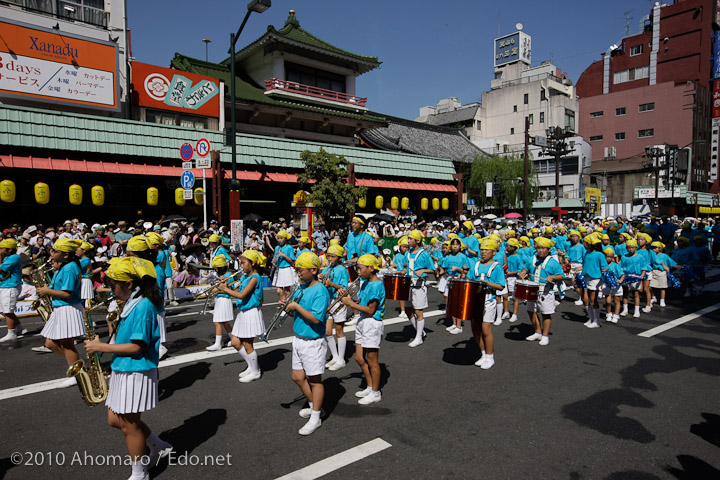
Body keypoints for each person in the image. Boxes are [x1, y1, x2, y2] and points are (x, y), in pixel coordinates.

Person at [85, 257, 173, 480]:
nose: (110, 290)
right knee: (116, 420)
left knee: (129, 424)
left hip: (136, 370)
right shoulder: (134, 302)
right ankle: (157, 445)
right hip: (124, 367)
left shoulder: (142, 305)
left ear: (130, 284)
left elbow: (137, 346)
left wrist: (101, 346)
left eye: (113, 285)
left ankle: (140, 472)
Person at [284, 252, 330, 436]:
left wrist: (296, 307)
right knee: (297, 377)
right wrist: (288, 309)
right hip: (299, 339)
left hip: (313, 341)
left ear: (313, 270)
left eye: (301, 270)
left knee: (315, 380)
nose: (298, 274)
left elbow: (317, 319)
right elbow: (298, 314)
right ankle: (314, 407)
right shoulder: (301, 287)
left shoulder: (320, 290)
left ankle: (316, 417)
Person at [35, 238, 85, 387]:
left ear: (65, 255)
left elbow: (68, 293)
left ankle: (77, 373)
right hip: (60, 308)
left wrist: (47, 290)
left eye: (55, 251)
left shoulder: (70, 267)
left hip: (67, 307)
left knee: (67, 344)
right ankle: (78, 366)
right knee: (50, 343)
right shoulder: (65, 266)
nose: (51, 253)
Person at [340, 254, 385, 403]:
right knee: (359, 357)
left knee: (372, 360)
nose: (358, 272)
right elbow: (360, 301)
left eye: (360, 269)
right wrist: (347, 296)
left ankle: (376, 392)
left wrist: (350, 304)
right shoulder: (365, 283)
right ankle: (370, 386)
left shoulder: (376, 285)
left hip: (372, 322)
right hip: (362, 321)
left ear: (371, 268)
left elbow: (371, 309)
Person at [218, 250, 266, 383]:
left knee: (247, 343)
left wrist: (224, 289)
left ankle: (255, 371)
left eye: (244, 263)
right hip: (243, 312)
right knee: (235, 342)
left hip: (251, 312)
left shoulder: (255, 278)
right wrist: (225, 285)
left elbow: (241, 295)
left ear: (252, 263)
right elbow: (236, 290)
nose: (242, 266)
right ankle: (251, 366)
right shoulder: (245, 276)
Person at [466, 238, 506, 369]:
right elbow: (469, 280)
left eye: (486, 250)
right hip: (476, 299)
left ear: (494, 252)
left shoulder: (497, 267)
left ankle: (490, 356)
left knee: (485, 329)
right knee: (475, 328)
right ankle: (483, 353)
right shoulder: (476, 265)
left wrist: (487, 283)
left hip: (489, 300)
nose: (483, 252)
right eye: (482, 249)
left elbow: (501, 286)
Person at [519, 237, 564, 346]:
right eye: (538, 248)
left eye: (543, 248)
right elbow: (526, 268)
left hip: (545, 291)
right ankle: (538, 331)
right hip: (532, 289)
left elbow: (561, 276)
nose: (540, 250)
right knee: (531, 311)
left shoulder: (553, 262)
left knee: (546, 313)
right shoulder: (532, 259)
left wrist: (553, 277)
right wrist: (523, 272)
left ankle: (545, 335)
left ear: (548, 250)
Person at [321, 244, 350, 371]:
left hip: (338, 301)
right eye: (328, 256)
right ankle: (335, 356)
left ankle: (341, 359)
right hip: (328, 300)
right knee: (327, 332)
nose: (329, 259)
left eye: (332, 256)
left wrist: (331, 283)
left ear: (339, 257)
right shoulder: (327, 269)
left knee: (339, 331)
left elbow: (343, 288)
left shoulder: (342, 270)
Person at [404, 230, 435, 348]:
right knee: (407, 309)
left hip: (419, 286)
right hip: (408, 285)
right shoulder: (407, 253)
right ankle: (419, 330)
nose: (408, 241)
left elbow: (433, 269)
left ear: (417, 241)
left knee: (418, 311)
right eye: (408, 238)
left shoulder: (424, 254)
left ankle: (419, 338)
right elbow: (405, 268)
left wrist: (423, 270)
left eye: (410, 239)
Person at [205, 256, 236, 351]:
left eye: (216, 268)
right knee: (224, 322)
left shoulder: (228, 276)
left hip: (223, 300)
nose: (215, 270)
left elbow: (230, 289)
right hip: (220, 300)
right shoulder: (226, 275)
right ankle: (233, 339)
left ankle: (218, 344)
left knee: (217, 322)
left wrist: (217, 290)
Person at [442, 238, 470, 334]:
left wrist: (458, 269)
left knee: (458, 303)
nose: (455, 246)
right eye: (453, 244)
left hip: (459, 280)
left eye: (457, 244)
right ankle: (453, 324)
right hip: (450, 280)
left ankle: (459, 325)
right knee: (451, 302)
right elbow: (444, 269)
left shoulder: (463, 257)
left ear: (460, 246)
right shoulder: (448, 257)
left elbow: (466, 271)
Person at [0, 238, 25, 342]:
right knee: (3, 310)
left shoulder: (14, 257)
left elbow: (1, 268)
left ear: (9, 249)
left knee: (8, 311)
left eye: (2, 248)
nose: (0, 250)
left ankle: (12, 333)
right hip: (4, 285)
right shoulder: (7, 257)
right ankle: (19, 327)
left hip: (11, 286)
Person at [581, 235, 606, 329]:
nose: (584, 244)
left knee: (593, 299)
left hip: (595, 279)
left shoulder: (599, 254)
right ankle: (591, 318)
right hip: (586, 277)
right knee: (585, 299)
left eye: (585, 243)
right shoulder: (587, 252)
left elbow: (604, 266)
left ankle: (596, 321)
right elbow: (585, 264)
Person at [620, 239, 648, 318]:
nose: (630, 249)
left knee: (635, 293)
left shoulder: (640, 257)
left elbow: (644, 267)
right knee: (625, 293)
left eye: (632, 247)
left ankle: (636, 310)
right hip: (626, 275)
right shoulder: (624, 257)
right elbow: (621, 267)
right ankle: (625, 309)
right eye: (629, 247)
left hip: (636, 276)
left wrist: (642, 275)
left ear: (636, 248)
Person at [272, 230, 296, 306]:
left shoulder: (289, 247)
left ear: (285, 239)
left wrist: (283, 255)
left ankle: (288, 305)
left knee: (286, 290)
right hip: (279, 269)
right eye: (278, 238)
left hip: (286, 269)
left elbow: (292, 262)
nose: (279, 240)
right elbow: (275, 259)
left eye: (281, 238)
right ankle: (283, 304)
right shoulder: (277, 248)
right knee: (279, 290)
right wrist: (274, 261)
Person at [601, 247, 625, 324]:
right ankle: (608, 313)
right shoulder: (602, 266)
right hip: (606, 284)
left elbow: (622, 274)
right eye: (607, 256)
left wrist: (620, 280)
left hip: (615, 284)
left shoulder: (615, 265)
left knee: (616, 300)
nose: (609, 258)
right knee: (608, 301)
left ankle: (616, 315)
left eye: (611, 257)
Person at [649, 241, 675, 307]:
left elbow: (671, 262)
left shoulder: (664, 256)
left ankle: (662, 300)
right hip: (654, 271)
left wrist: (675, 266)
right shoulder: (651, 255)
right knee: (650, 286)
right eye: (652, 248)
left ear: (660, 248)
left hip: (662, 272)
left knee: (662, 287)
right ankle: (653, 297)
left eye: (655, 248)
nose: (653, 249)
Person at [391, 236, 409, 319]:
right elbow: (394, 265)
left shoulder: (409, 255)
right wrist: (394, 266)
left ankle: (409, 309)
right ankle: (403, 311)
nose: (405, 249)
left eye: (407, 247)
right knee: (400, 295)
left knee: (408, 294)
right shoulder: (397, 256)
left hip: (407, 275)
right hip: (399, 276)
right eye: (403, 247)